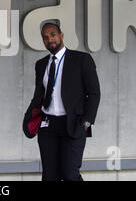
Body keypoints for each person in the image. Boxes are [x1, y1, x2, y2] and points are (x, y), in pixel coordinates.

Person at [26, 22, 101, 181]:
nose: (49, 39)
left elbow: (94, 93)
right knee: (49, 176)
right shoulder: (41, 65)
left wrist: (86, 122)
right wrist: (32, 119)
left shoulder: (81, 59)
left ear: (61, 35)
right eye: (45, 37)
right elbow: (38, 96)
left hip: (73, 124)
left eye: (52, 34)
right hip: (48, 126)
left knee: (70, 174)